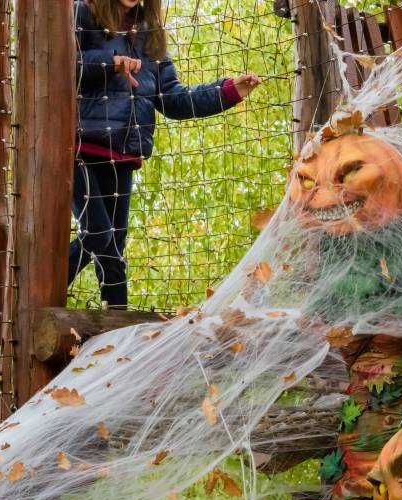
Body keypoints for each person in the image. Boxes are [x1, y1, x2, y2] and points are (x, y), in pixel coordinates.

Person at [71, 0, 261, 308]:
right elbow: (65, 63)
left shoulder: (149, 34)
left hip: (123, 153)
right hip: (81, 148)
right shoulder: (83, 11)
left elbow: (172, 97)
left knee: (113, 254)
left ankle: (117, 335)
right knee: (96, 234)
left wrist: (227, 91)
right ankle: (33, 302)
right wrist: (111, 62)